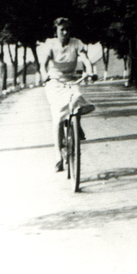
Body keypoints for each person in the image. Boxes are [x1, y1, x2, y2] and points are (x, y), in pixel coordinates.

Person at [40, 17, 97, 172]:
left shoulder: (76, 43)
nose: (65, 33)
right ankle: (58, 157)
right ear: (56, 31)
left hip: (71, 80)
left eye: (67, 29)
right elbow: (43, 64)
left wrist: (90, 71)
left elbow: (85, 59)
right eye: (61, 30)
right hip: (54, 82)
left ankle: (76, 125)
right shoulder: (50, 44)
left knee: (77, 98)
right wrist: (44, 75)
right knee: (58, 117)